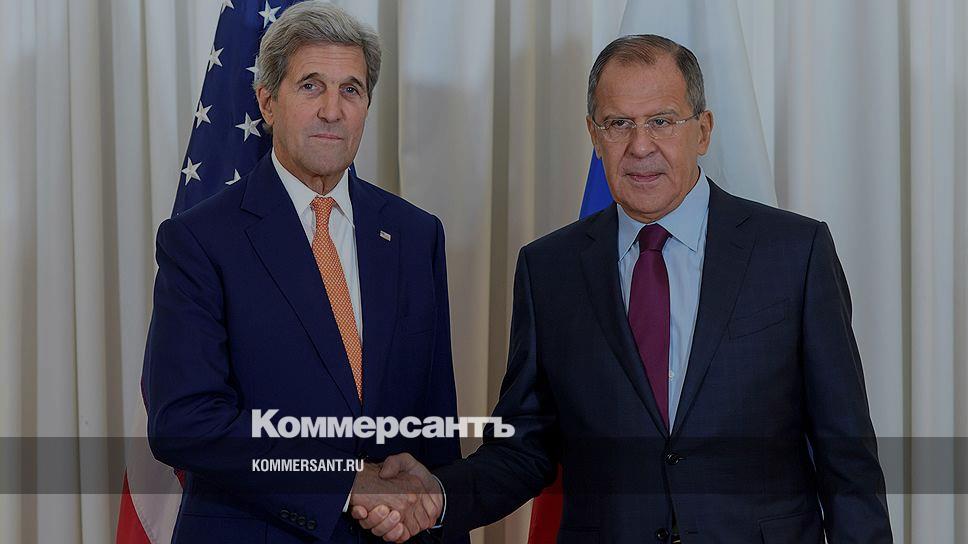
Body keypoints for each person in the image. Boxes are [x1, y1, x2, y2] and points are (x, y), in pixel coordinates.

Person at [354, 34, 893, 543]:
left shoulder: (794, 252)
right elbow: (525, 448)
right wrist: (437, 494)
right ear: (594, 134)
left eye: (662, 121)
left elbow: (846, 457)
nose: (640, 146)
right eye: (618, 124)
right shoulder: (549, 269)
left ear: (703, 130)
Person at [143, 2, 465, 542]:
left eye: (351, 90)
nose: (332, 111)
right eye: (311, 86)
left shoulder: (416, 234)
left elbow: (435, 424)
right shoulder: (199, 240)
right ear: (268, 102)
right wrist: (343, 483)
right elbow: (185, 420)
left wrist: (439, 520)